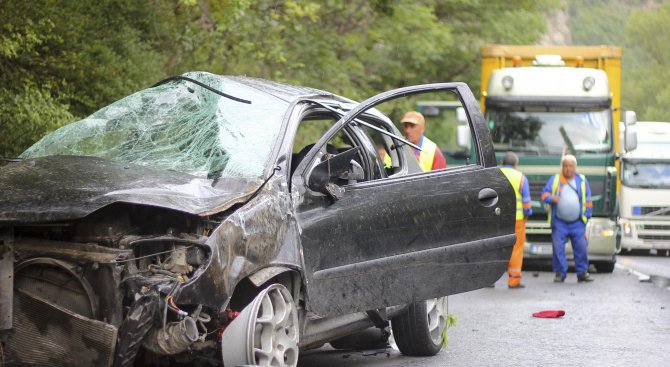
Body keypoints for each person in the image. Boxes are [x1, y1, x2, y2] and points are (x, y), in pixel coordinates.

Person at [541, 154, 594, 283]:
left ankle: (582, 273)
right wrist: (551, 198)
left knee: (581, 248)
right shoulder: (555, 180)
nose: (568, 169)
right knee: (558, 248)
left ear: (575, 167)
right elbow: (544, 195)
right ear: (562, 167)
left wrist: (586, 218)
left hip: (578, 222)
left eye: (570, 166)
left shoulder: (581, 180)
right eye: (565, 166)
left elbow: (588, 200)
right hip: (559, 222)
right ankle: (560, 273)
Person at [500, 152, 532, 289]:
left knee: (497, 247)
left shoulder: (495, 174)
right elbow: (526, 202)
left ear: (502, 162)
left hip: (498, 218)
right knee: (516, 249)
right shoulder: (521, 178)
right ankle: (513, 281)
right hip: (517, 220)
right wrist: (528, 213)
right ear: (516, 164)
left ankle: (489, 280)